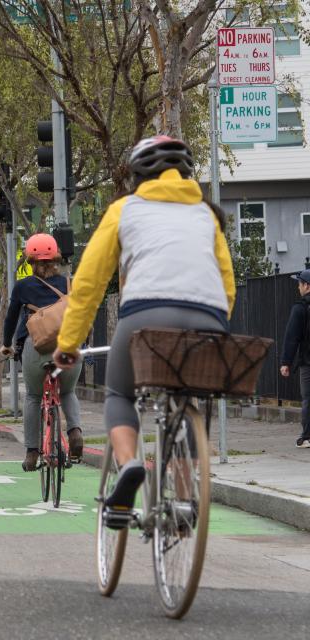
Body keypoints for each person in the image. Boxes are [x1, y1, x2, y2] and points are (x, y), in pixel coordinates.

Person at [53, 135, 236, 514]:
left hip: (145, 313)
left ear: (137, 175)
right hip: (209, 318)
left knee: (120, 393)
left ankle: (130, 465)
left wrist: (69, 342)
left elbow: (88, 284)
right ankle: (185, 501)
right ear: (185, 174)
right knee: (189, 402)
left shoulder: (125, 209)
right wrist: (216, 326)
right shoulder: (207, 214)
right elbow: (227, 284)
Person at [0, 233, 84, 471]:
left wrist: (6, 344)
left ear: (31, 262)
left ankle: (32, 452)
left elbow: (10, 320)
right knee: (67, 391)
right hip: (68, 348)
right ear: (56, 259)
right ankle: (75, 432)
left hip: (36, 349)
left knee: (34, 397)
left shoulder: (22, 286)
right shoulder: (70, 283)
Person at [279, 269, 310, 448]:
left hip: (307, 362)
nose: (298, 287)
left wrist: (285, 362)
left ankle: (306, 437)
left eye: (299, 283)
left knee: (308, 399)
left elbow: (292, 338)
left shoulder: (300, 308)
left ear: (307, 286)